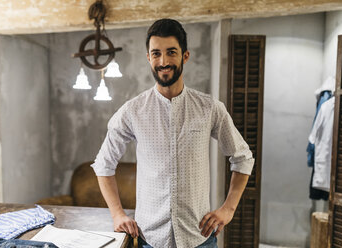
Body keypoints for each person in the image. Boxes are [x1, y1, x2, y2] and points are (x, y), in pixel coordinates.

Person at [91, 18, 254, 248]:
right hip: (150, 240)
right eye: (156, 53)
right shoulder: (133, 111)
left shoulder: (209, 108)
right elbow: (103, 164)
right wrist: (117, 214)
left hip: (200, 239)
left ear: (185, 56)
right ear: (148, 57)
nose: (163, 61)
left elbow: (243, 158)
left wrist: (228, 209)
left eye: (171, 52)